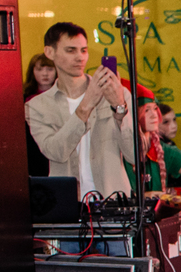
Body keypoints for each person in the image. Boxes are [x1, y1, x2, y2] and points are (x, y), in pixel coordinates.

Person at [25, 21, 135, 200]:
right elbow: (56, 152)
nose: (80, 57)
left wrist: (119, 107)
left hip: (113, 201)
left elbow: (136, 155)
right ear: (49, 52)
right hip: (67, 204)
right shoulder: (37, 106)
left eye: (83, 50)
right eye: (71, 50)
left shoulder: (117, 93)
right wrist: (87, 103)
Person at [22, 53, 56, 176]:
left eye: (50, 69)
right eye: (39, 69)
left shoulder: (64, 96)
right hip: (32, 152)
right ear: (32, 71)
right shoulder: (23, 98)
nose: (45, 74)